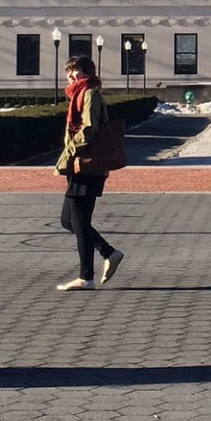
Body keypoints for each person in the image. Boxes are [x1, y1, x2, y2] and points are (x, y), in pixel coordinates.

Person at [52, 55, 125, 291]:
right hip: (80, 164)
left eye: (76, 71)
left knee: (80, 221)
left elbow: (89, 128)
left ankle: (86, 277)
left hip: (85, 163)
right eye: (69, 72)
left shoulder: (90, 93)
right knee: (69, 220)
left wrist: (71, 151)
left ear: (87, 73)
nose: (71, 76)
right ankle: (108, 252)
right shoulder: (79, 93)